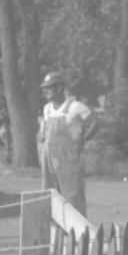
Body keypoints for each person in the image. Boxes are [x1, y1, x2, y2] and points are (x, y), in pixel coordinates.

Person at [38, 82, 94, 218]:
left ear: (59, 87)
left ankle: (78, 234)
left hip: (69, 160)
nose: (46, 91)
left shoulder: (75, 107)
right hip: (49, 160)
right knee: (50, 195)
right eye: (44, 88)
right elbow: (44, 133)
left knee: (73, 198)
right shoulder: (47, 109)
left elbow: (95, 122)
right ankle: (56, 233)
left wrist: (84, 139)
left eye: (49, 87)